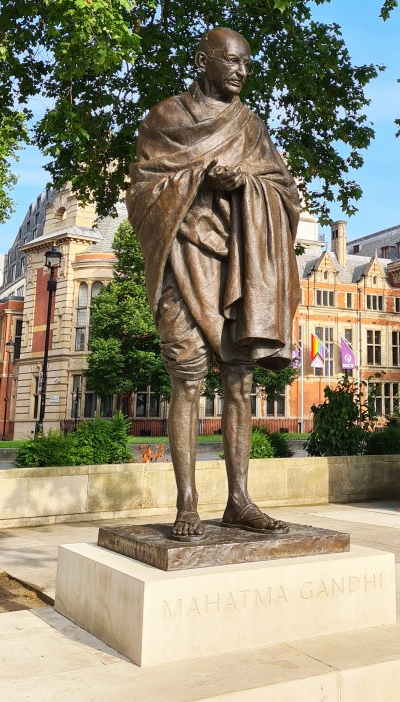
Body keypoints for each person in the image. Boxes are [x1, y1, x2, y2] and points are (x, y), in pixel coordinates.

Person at [126, 27, 300, 540]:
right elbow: (141, 192)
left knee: (240, 382)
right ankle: (187, 503)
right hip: (184, 258)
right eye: (232, 61)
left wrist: (245, 181)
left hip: (235, 267)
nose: (242, 71)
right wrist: (200, 176)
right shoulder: (166, 118)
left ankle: (240, 500)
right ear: (203, 61)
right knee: (187, 379)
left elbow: (284, 192)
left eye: (247, 63)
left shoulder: (251, 126)